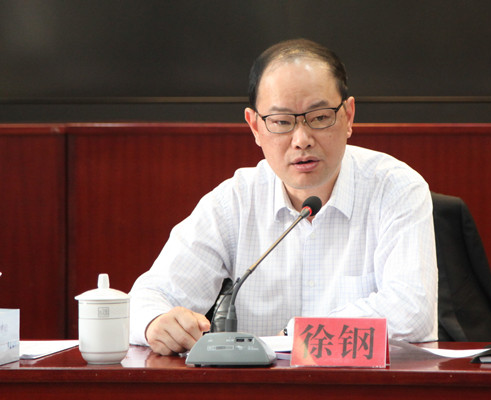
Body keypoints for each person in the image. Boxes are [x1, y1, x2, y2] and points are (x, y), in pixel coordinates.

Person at [129, 38, 438, 355]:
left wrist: (300, 333)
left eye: (320, 117)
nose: (302, 140)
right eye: (281, 122)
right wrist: (156, 322)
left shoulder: (395, 188)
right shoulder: (235, 202)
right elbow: (149, 297)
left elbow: (412, 311)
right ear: (255, 127)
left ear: (348, 116)